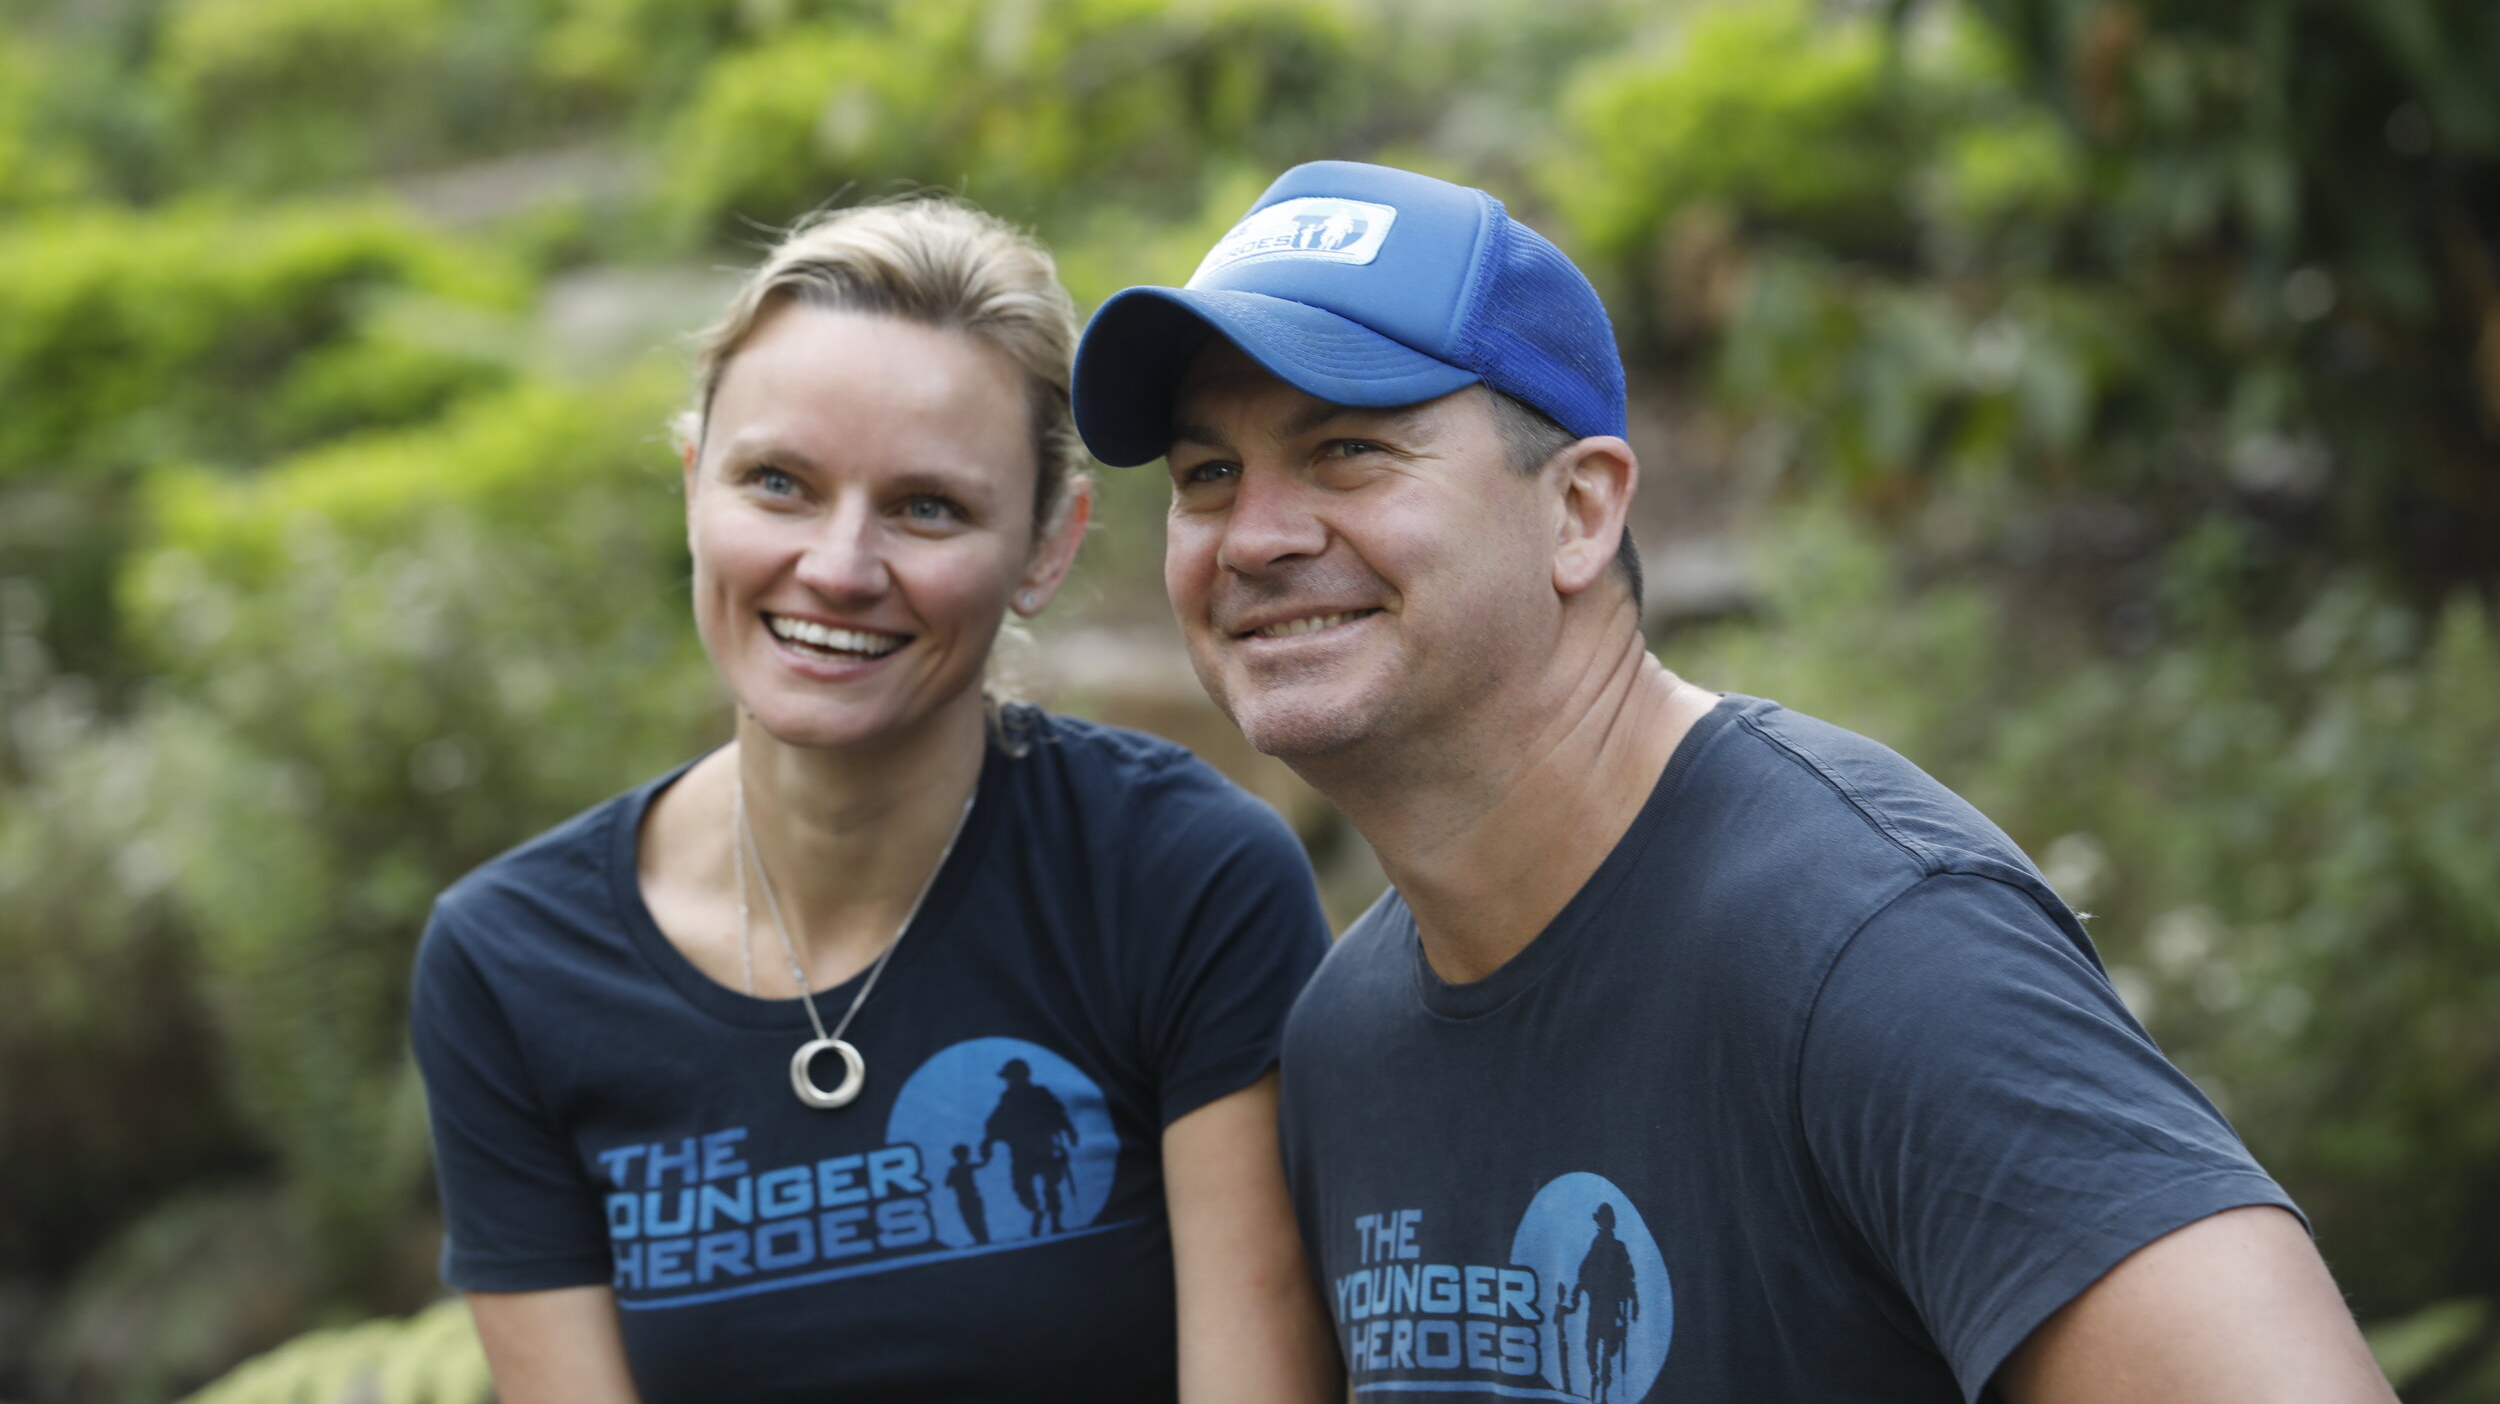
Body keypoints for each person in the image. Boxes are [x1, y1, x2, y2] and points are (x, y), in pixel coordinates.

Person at [1067, 160, 2399, 1402]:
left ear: (1581, 509)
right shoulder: (1346, 1039)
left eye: (1347, 447)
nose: (1256, 535)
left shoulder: (1874, 948)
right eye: (1207, 474)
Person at [409, 196, 1341, 1404]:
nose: (840, 568)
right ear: (695, 487)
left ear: (1048, 547)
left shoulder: (1178, 879)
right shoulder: (512, 962)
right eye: (778, 482)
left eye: (927, 505)